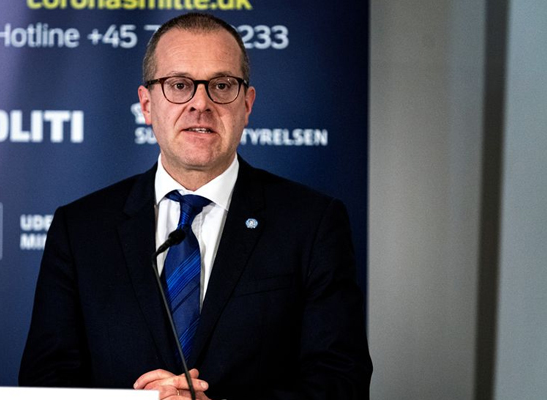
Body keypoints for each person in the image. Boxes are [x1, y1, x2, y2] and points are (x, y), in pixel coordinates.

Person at [19, 12, 372, 399]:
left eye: (221, 85)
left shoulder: (313, 224)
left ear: (247, 105)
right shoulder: (80, 229)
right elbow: (44, 383)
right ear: (147, 105)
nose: (200, 103)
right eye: (179, 85)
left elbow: (342, 381)